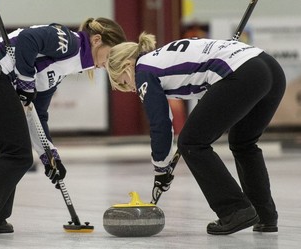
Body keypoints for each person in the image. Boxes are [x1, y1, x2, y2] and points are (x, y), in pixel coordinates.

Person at [0, 17, 126, 238]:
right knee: (17, 153)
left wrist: (49, 154)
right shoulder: (70, 41)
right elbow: (28, 39)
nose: (109, 64)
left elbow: (37, 114)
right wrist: (25, 79)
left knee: (11, 149)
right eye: (111, 55)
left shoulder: (60, 69)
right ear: (96, 40)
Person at [106, 33, 285, 235]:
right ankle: (265, 216)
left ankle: (235, 210)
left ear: (127, 65)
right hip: (269, 68)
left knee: (191, 144)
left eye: (122, 82)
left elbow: (161, 124)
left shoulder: (143, 71)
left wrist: (161, 170)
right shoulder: (162, 57)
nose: (129, 89)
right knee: (243, 143)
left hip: (244, 72)